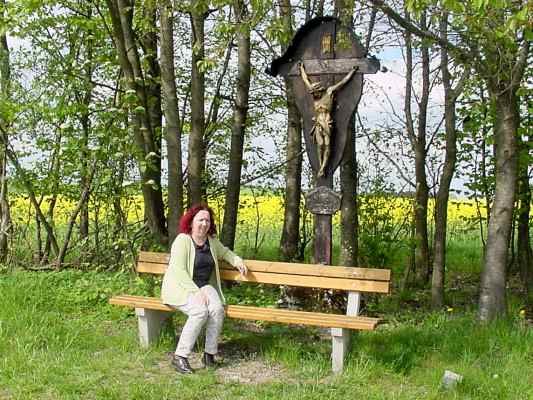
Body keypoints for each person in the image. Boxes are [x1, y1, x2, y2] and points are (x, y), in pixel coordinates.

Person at [161, 204, 247, 374]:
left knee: (217, 309)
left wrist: (237, 261)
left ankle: (209, 355)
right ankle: (180, 357)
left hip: (203, 286)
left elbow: (225, 253)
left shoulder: (211, 241)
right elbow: (179, 271)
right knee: (200, 311)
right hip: (181, 287)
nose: (204, 223)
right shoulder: (182, 240)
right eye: (200, 219)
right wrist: (196, 292)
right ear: (191, 222)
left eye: (207, 220)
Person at [299, 62, 358, 177]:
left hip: (327, 122)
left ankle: (323, 167)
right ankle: (321, 166)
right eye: (313, 92)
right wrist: (302, 69)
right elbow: (305, 80)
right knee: (319, 145)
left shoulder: (329, 92)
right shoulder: (315, 96)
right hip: (318, 123)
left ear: (320, 91)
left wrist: (352, 71)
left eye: (315, 92)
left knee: (327, 144)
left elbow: (342, 83)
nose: (313, 94)